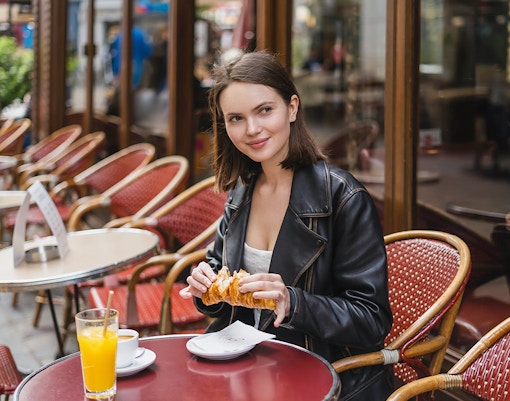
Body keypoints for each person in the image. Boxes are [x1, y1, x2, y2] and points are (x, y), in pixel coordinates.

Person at [179, 51, 393, 400]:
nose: (252, 129)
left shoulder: (342, 197)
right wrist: (207, 290)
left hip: (323, 375)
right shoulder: (242, 190)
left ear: (292, 107)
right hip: (248, 368)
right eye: (236, 118)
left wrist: (293, 303)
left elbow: (371, 320)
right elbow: (221, 276)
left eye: (265, 110)